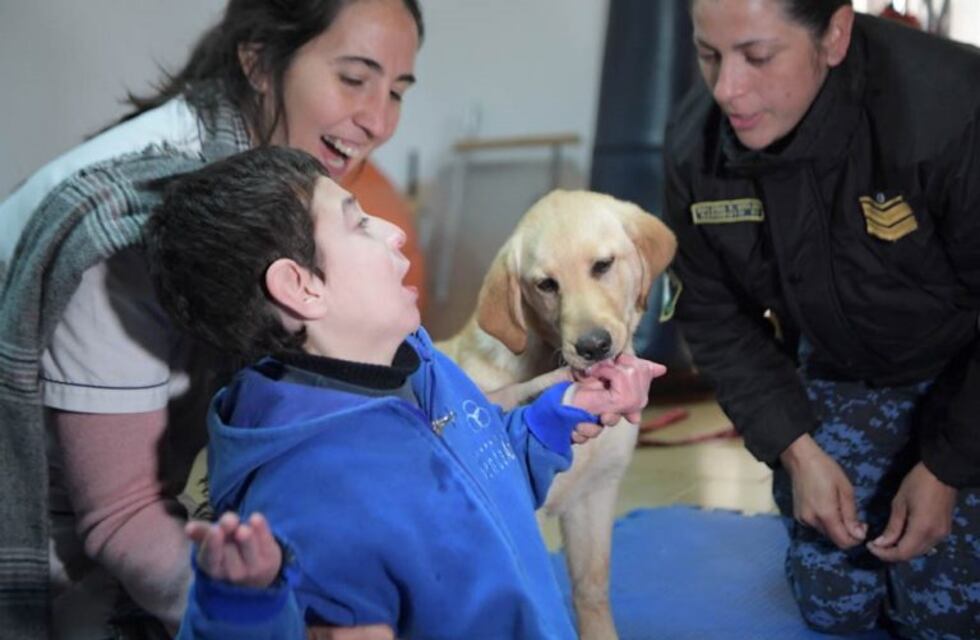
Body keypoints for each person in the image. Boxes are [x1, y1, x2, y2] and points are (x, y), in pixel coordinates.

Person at [0, 1, 424, 637]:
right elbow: (121, 517)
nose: (378, 120)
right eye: (355, 78)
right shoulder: (137, 234)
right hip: (51, 530)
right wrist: (287, 622)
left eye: (396, 90)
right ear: (257, 61)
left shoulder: (287, 181)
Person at [143, 146, 663, 639]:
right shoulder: (314, 491)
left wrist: (551, 420)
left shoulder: (418, 363)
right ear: (301, 287)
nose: (393, 231)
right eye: (359, 224)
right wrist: (245, 605)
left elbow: (478, 477)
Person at [663, 0, 980, 637]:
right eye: (708, 55)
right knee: (834, 605)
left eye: (757, 56)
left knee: (946, 617)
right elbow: (715, 314)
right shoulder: (693, 150)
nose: (727, 89)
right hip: (842, 368)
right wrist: (795, 448)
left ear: (834, 34)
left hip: (965, 370)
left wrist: (947, 466)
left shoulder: (953, 111)